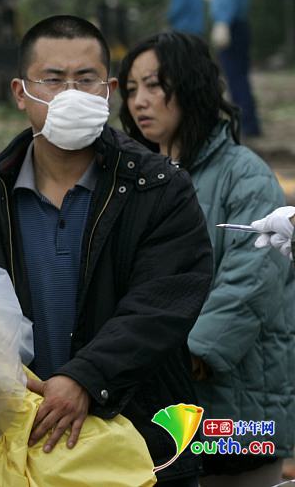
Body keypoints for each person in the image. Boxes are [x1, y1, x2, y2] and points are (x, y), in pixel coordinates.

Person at [0, 15, 213, 487]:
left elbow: (162, 302)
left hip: (145, 446)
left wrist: (86, 378)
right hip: (32, 445)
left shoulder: (159, 189)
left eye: (85, 81)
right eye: (53, 80)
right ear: (21, 93)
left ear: (108, 90)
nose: (70, 95)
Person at [119, 32, 295, 486]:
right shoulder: (134, 180)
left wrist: (188, 355)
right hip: (160, 400)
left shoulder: (245, 175)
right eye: (132, 88)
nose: (141, 101)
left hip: (237, 406)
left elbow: (250, 282)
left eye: (155, 85)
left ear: (191, 86)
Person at [205, 0, 261, 136]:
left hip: (232, 24)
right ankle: (250, 123)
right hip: (240, 23)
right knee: (240, 75)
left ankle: (246, 125)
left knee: (235, 75)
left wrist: (222, 22)